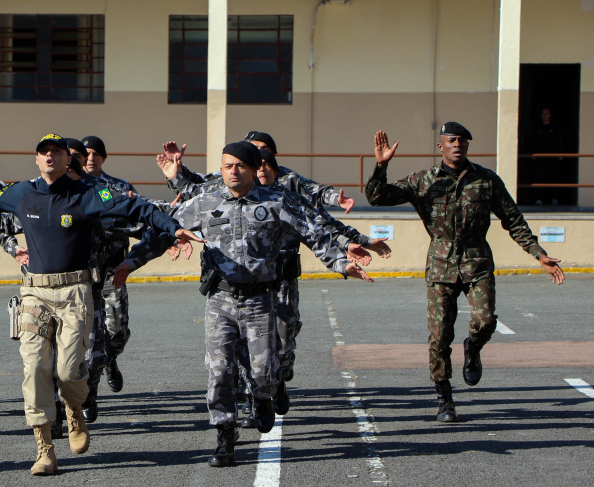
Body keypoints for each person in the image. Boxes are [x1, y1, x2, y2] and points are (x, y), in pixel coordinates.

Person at [0, 131, 203, 476]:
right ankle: (44, 449)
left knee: (69, 370)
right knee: (35, 369)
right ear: (37, 159)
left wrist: (172, 227)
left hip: (75, 293)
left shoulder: (88, 194)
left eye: (56, 151)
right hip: (35, 294)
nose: (50, 156)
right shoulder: (23, 193)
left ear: (67, 159)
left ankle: (74, 409)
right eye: (44, 152)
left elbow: (137, 206)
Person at [117, 142, 372, 467]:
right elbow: (164, 230)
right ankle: (225, 437)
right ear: (221, 170)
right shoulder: (204, 203)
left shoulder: (277, 202)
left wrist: (340, 263)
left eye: (240, 165)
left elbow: (315, 235)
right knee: (220, 370)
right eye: (227, 166)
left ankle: (265, 394)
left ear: (253, 169)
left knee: (263, 372)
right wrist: (129, 264)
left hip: (260, 299)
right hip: (220, 299)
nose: (233, 171)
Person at [366, 123, 565, 422]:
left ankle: (473, 347)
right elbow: (376, 197)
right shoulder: (424, 181)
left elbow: (513, 219)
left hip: (477, 261)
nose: (458, 144)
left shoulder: (486, 180)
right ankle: (445, 399)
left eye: (462, 140)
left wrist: (538, 253)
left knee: (485, 321)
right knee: (439, 336)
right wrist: (381, 166)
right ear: (440, 146)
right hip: (441, 265)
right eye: (451, 140)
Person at [82, 135, 139, 394]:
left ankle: (110, 358)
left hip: (113, 271)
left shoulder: (117, 187)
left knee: (117, 331)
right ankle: (87, 391)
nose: (91, 158)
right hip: (82, 274)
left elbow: (137, 218)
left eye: (96, 153)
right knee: (83, 333)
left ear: (104, 158)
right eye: (86, 153)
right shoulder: (72, 187)